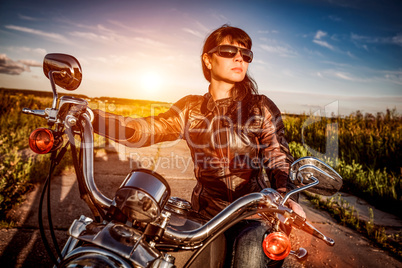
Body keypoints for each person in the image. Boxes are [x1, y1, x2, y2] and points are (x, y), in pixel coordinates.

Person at [92, 24, 305, 268]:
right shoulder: (191, 109)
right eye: (228, 51)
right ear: (207, 59)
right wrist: (92, 118)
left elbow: (278, 157)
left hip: (252, 214)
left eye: (246, 54)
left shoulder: (260, 107)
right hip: (204, 214)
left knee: (249, 254)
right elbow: (146, 129)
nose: (239, 58)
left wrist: (287, 196)